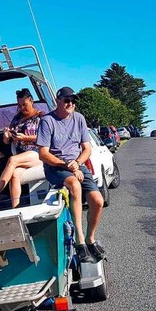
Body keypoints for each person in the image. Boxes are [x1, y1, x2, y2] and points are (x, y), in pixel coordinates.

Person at [36, 86, 105, 263]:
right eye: (67, 100)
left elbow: (87, 148)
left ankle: (90, 239)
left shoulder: (79, 118)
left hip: (77, 164)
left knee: (98, 201)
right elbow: (43, 154)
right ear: (58, 101)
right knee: (74, 185)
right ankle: (79, 242)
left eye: (73, 101)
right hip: (55, 167)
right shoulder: (47, 121)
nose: (70, 104)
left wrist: (78, 164)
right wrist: (68, 166)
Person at [0, 88, 44, 208]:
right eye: (19, 105)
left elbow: (45, 137)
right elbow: (7, 141)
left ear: (31, 101)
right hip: (22, 155)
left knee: (12, 160)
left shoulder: (41, 117)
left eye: (24, 105)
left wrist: (25, 137)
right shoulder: (16, 118)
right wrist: (6, 136)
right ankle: (16, 207)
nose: (22, 108)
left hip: (38, 153)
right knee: (14, 174)